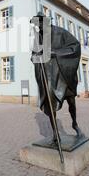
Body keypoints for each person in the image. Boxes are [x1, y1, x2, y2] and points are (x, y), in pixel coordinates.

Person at [31, 12, 83, 142]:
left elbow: (75, 47)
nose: (39, 27)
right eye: (37, 25)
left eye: (41, 24)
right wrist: (36, 57)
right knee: (49, 101)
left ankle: (75, 123)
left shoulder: (61, 32)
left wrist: (56, 53)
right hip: (49, 76)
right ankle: (55, 132)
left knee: (71, 101)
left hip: (64, 74)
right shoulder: (39, 38)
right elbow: (33, 55)